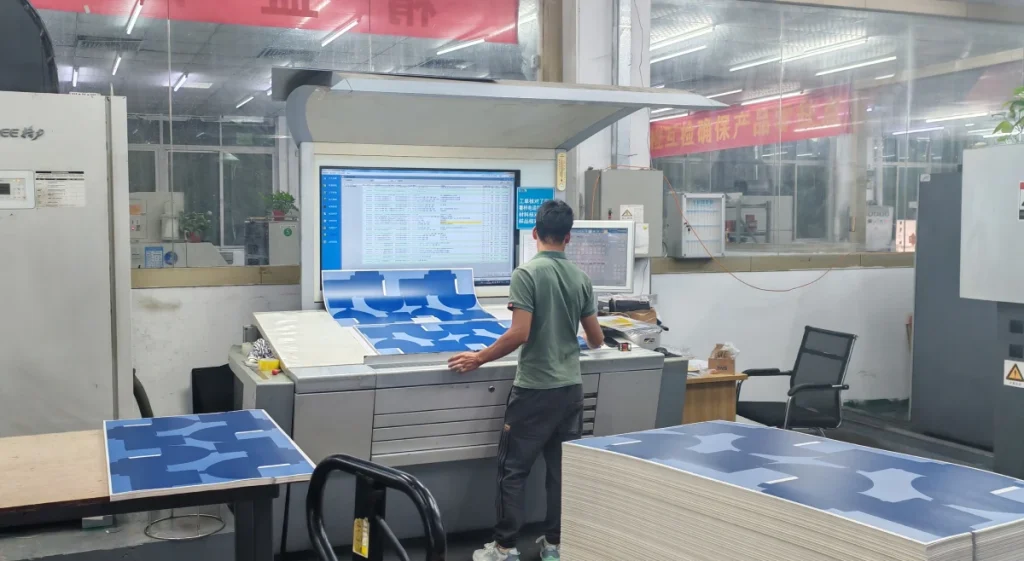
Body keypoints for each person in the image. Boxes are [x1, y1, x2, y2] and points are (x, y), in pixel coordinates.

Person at [448, 199, 605, 561]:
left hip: (535, 390)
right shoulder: (581, 278)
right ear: (568, 238)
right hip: (570, 390)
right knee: (560, 471)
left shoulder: (527, 274)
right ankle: (555, 544)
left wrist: (478, 357)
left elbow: (520, 333)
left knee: (513, 471)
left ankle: (504, 548)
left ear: (535, 234)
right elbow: (596, 340)